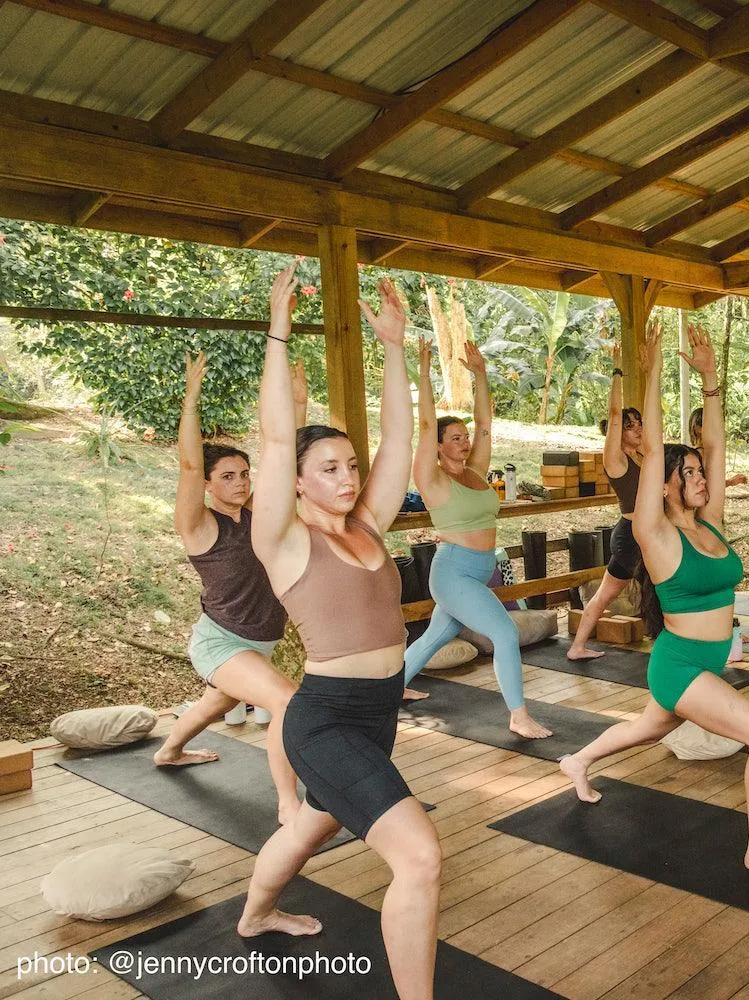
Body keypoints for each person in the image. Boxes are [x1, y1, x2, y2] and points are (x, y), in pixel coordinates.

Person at [243, 266, 439, 1000]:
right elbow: (271, 438)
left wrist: (393, 346)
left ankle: (256, 914)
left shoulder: (367, 527)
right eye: (328, 468)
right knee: (418, 857)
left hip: (376, 713)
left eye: (351, 465)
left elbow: (399, 435)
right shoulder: (285, 541)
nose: (348, 476)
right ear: (294, 481)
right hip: (323, 718)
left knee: (308, 829)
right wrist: (279, 331)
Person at [558, 322, 749, 883]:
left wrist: (711, 379)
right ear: (667, 484)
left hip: (707, 660)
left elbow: (715, 444)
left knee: (647, 729)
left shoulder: (711, 525)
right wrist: (647, 375)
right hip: (679, 665)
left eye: (701, 471)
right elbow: (650, 450)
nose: (701, 477)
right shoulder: (657, 535)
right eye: (689, 473)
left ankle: (576, 760)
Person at [153, 350, 304, 826]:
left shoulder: (257, 512)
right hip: (220, 641)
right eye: (228, 476)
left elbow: (283, 459)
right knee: (285, 702)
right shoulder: (200, 525)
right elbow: (188, 468)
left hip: (262, 643)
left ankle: (169, 750)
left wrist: (297, 407)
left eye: (244, 474)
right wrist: (191, 401)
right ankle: (288, 803)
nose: (240, 483)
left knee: (213, 705)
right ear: (210, 485)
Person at [398, 338, 551, 738]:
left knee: (435, 636)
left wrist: (480, 375)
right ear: (437, 447)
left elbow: (486, 425)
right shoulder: (431, 478)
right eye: (455, 438)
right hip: (453, 573)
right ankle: (518, 716)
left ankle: (389, 690)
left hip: (478, 572)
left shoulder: (477, 471)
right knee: (503, 633)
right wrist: (426, 370)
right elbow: (426, 424)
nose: (465, 442)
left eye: (464, 437)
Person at [567, 343, 645, 660]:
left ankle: (577, 647)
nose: (637, 427)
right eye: (630, 425)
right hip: (630, 537)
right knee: (665, 588)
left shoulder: (641, 457)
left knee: (603, 596)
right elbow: (614, 415)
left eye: (639, 422)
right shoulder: (615, 460)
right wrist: (617, 371)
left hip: (638, 535)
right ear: (617, 432)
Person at [689, 407, 748, 487]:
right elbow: (708, 485)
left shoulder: (701, 451)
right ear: (698, 429)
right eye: (712, 426)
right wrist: (731, 482)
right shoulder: (700, 453)